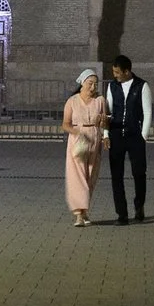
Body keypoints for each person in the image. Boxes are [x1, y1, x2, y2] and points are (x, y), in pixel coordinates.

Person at [105, 54, 152, 224]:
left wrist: (143, 136)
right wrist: (105, 134)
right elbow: (108, 112)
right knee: (116, 175)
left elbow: (147, 112)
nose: (115, 75)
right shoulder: (112, 87)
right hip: (116, 134)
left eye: (117, 72)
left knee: (139, 172)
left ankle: (139, 206)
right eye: (114, 72)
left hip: (135, 136)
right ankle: (121, 214)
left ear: (127, 71)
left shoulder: (142, 86)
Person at [61, 68, 107, 225]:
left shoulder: (100, 101)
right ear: (82, 83)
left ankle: (85, 211)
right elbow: (65, 125)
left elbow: (105, 123)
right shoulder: (72, 101)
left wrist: (103, 122)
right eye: (90, 83)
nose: (93, 87)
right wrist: (77, 132)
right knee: (78, 176)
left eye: (95, 84)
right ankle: (78, 214)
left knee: (90, 176)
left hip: (95, 138)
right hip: (78, 141)